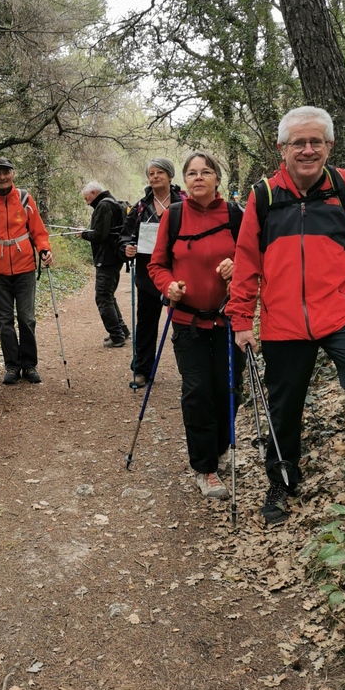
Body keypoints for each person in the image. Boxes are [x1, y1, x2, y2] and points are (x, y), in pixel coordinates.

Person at [229, 106, 345, 523]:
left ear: (329, 145)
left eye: (316, 141)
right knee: (284, 405)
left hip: (340, 313)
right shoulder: (263, 195)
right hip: (283, 320)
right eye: (298, 142)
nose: (308, 149)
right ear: (282, 148)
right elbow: (246, 262)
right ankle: (282, 479)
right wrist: (242, 319)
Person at [148, 151, 244, 500]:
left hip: (229, 320)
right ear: (184, 181)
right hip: (188, 322)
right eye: (191, 173)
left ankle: (220, 448)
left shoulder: (236, 215)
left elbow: (255, 259)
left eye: (206, 172)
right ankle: (205, 468)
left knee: (228, 389)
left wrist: (239, 266)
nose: (198, 177)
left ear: (217, 179)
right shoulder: (173, 216)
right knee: (197, 391)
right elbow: (157, 265)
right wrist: (168, 285)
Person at [0, 156, 53, 384]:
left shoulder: (25, 199)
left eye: (6, 172)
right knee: (4, 321)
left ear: (13, 173)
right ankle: (12, 366)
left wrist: (44, 249)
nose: (2, 177)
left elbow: (38, 232)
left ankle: (30, 365)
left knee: (26, 319)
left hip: (25, 267)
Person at [120, 158, 185, 384]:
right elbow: (126, 235)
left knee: (182, 322)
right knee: (146, 323)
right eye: (151, 173)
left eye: (160, 172)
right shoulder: (140, 207)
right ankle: (142, 370)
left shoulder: (184, 202)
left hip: (179, 272)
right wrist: (127, 247)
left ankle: (189, 371)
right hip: (148, 273)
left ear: (170, 175)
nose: (155, 176)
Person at [78, 181, 130, 348]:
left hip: (107, 259)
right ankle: (122, 331)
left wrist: (83, 234)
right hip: (113, 258)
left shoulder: (104, 206)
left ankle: (117, 336)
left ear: (93, 193)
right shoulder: (111, 203)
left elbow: (100, 235)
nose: (87, 203)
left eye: (87, 199)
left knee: (102, 296)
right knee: (108, 295)